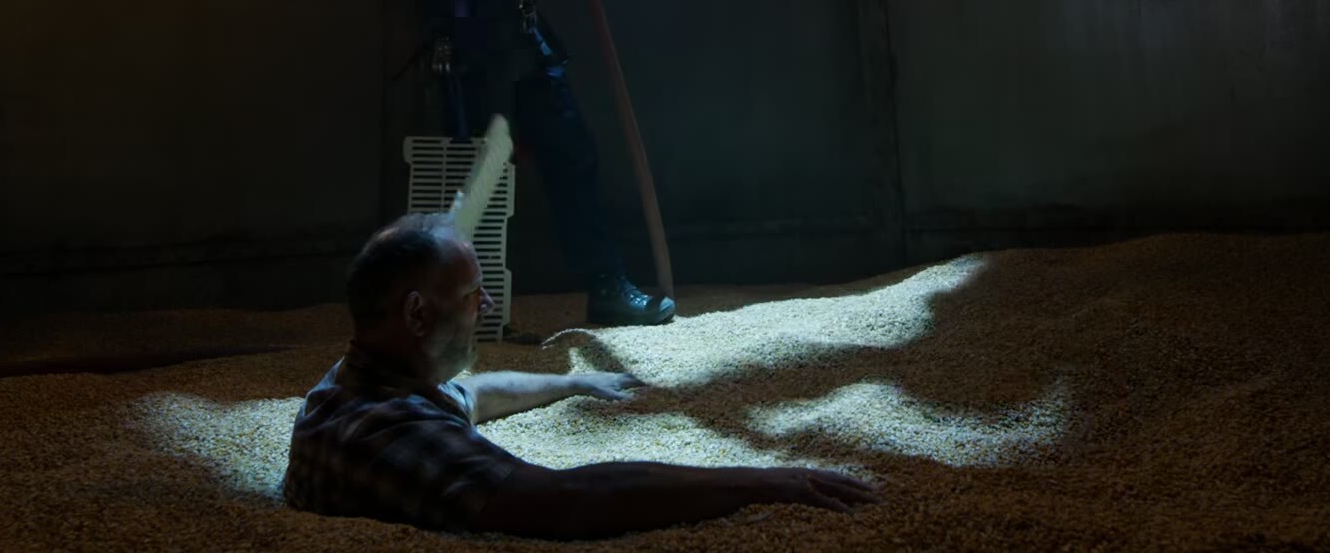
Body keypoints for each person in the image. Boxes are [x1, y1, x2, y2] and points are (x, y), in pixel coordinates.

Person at [282, 214, 882, 536]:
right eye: (470, 294)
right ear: (417, 315)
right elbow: (566, 501)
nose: (486, 305)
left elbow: (474, 393)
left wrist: (573, 383)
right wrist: (761, 482)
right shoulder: (390, 434)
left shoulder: (353, 381)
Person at [414, 0, 672, 327]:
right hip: (476, 68)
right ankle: (449, 308)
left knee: (573, 158)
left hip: (528, 54)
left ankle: (606, 286)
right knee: (478, 185)